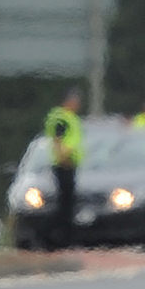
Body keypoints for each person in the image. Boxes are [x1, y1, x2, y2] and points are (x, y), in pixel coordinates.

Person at [43, 87, 87, 250]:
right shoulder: (61, 117)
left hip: (70, 164)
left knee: (68, 203)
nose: (77, 104)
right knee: (64, 203)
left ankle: (67, 238)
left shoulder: (70, 117)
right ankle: (61, 239)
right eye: (75, 100)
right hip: (64, 164)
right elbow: (58, 140)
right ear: (67, 101)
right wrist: (63, 158)